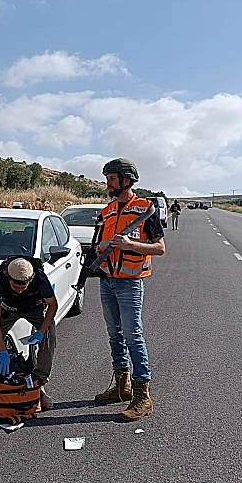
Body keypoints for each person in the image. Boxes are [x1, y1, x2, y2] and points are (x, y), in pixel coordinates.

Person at [93, 158, 165, 421]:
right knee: (114, 334)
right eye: (107, 178)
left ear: (126, 180)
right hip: (107, 280)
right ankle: (121, 386)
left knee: (133, 335)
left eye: (111, 178)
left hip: (129, 283)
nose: (107, 183)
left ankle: (142, 396)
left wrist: (130, 245)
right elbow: (102, 243)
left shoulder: (146, 208)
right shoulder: (107, 210)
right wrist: (102, 247)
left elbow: (159, 248)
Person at [0, 256, 57, 410]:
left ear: (31, 279)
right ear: (8, 278)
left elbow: (53, 305)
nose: (19, 290)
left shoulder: (41, 280)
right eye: (15, 286)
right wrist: (2, 350)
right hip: (8, 309)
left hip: (35, 309)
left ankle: (39, 384)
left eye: (23, 287)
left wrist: (41, 331)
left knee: (49, 337)